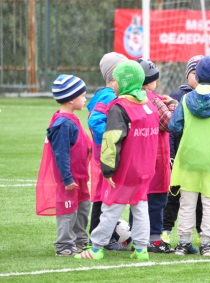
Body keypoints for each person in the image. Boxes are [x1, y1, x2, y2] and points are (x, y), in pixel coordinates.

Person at [75, 60, 159, 260]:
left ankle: (96, 248)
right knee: (140, 208)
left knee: (110, 208)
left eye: (116, 80)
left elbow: (111, 141)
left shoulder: (119, 107)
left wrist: (108, 169)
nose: (114, 84)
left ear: (123, 82)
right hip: (145, 169)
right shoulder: (149, 105)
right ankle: (141, 249)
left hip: (125, 169)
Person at [169, 55, 210, 256]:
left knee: (187, 203)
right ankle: (206, 242)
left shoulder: (186, 99)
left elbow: (174, 126)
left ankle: (183, 242)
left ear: (196, 75)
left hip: (188, 159)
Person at [36, 74, 91, 256]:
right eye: (82, 95)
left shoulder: (71, 119)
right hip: (69, 179)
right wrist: (67, 178)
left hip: (80, 176)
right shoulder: (62, 124)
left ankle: (80, 240)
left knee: (83, 207)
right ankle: (64, 245)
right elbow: (61, 154)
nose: (85, 98)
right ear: (71, 99)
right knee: (68, 210)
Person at [87, 51, 129, 251]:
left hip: (103, 154)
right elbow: (95, 120)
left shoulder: (108, 94)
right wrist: (114, 136)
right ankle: (100, 238)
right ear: (114, 76)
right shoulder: (108, 95)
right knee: (103, 198)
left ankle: (104, 236)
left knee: (104, 197)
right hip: (104, 155)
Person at [135, 58, 178, 253]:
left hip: (137, 158)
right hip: (156, 158)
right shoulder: (151, 98)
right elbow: (169, 123)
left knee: (137, 199)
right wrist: (173, 105)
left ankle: (136, 236)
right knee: (157, 200)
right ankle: (154, 239)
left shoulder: (130, 97)